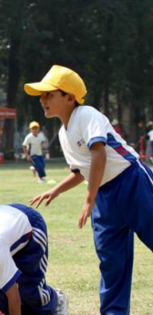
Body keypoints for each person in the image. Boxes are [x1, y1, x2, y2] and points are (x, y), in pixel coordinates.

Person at [25, 65, 153, 314]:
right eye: (42, 95)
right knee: (111, 261)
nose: (43, 100)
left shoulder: (86, 114)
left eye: (49, 94)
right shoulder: (64, 132)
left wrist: (89, 197)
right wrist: (56, 191)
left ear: (69, 98)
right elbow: (80, 170)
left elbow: (99, 154)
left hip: (131, 182)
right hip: (104, 197)